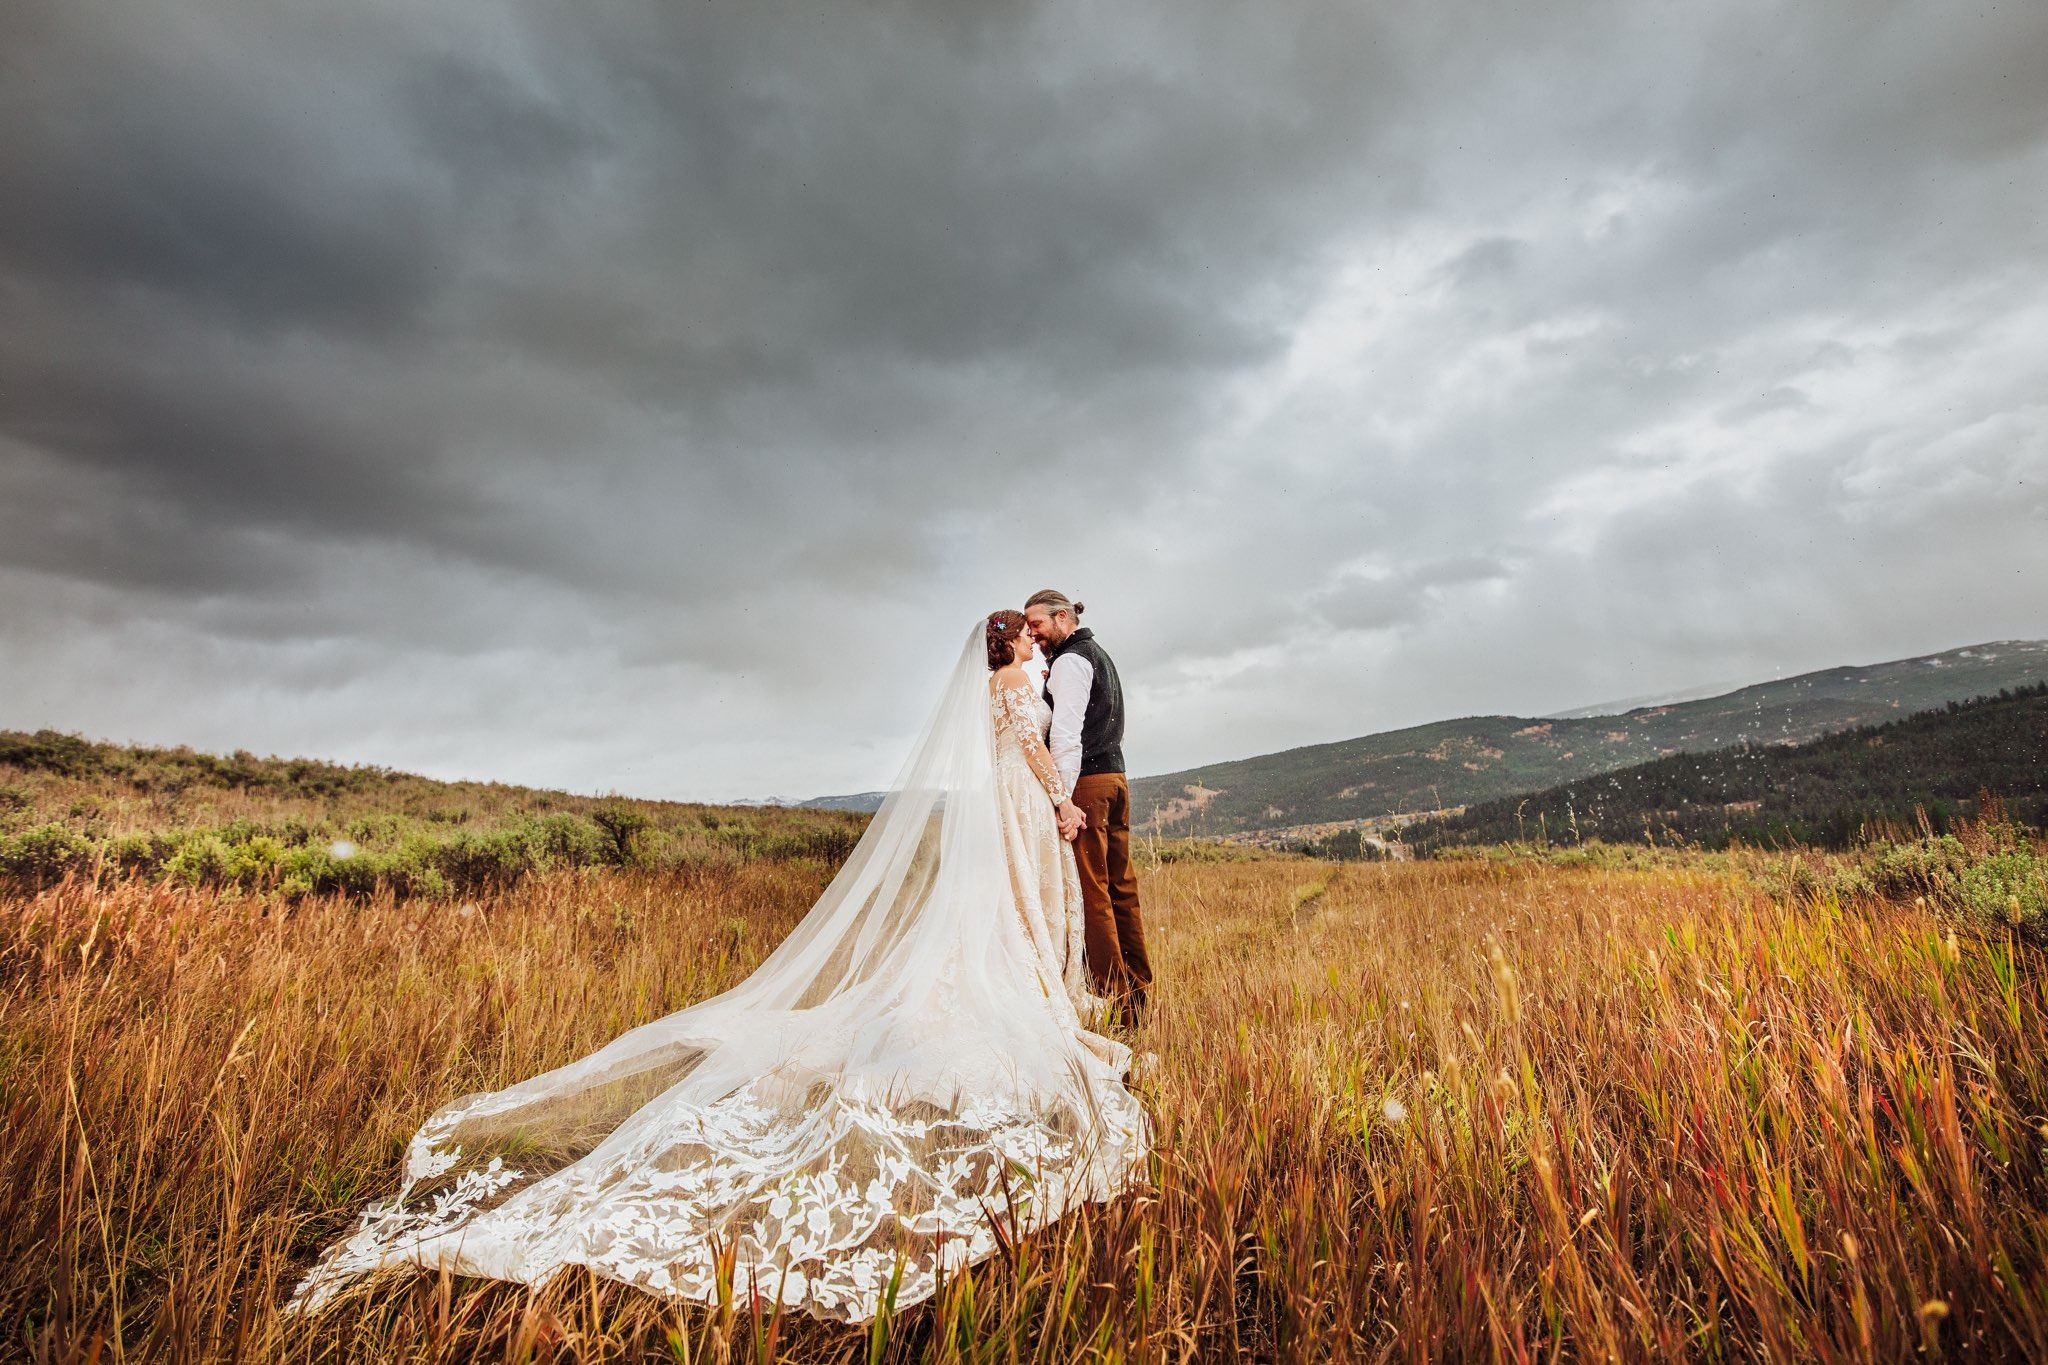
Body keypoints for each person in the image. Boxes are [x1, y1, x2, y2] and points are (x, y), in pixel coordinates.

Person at [283, 619, 1150, 1323]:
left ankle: (1032, 991)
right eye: (1030, 638)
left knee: (1000, 915)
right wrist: (1058, 799)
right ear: (1012, 646)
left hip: (1006, 807)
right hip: (1022, 802)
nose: (1040, 644)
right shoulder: (1013, 687)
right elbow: (1035, 753)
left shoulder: (999, 684)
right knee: (1011, 917)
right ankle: (1029, 1000)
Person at [1023, 590, 1152, 1028]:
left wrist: (1064, 799)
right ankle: (1139, 996)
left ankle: (1116, 1002)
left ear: (1063, 617)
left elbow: (1066, 736)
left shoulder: (1071, 661)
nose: (1033, 633)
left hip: (1088, 785)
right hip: (1116, 779)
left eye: (1037, 624)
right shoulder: (1098, 655)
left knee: (1092, 893)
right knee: (1121, 889)